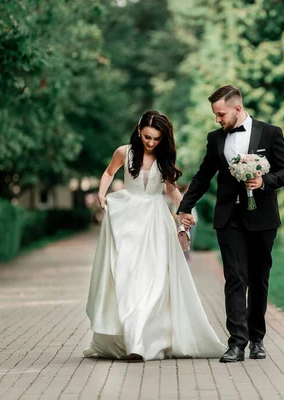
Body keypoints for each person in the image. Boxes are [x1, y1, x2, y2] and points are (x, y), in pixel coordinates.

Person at [84, 110, 225, 361]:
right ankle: (131, 339)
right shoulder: (123, 152)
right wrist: (102, 193)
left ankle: (140, 343)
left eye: (156, 139)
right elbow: (108, 173)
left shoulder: (165, 158)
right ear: (139, 130)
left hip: (156, 220)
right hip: (127, 219)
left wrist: (184, 212)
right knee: (126, 278)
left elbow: (171, 192)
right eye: (147, 137)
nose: (151, 143)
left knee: (155, 280)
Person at [178, 85, 284, 363]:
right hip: (229, 218)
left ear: (237, 108)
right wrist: (185, 205)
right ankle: (236, 343)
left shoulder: (271, 133)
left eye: (221, 114)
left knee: (258, 279)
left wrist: (264, 181)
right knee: (234, 278)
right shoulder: (215, 139)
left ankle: (257, 340)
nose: (218, 120)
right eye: (215, 115)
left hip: (263, 218)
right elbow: (203, 175)